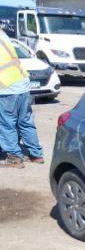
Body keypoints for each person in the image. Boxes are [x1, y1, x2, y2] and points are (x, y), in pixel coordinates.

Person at [0, 28, 43, 168]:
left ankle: (14, 157)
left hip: (7, 86)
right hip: (22, 83)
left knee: (7, 123)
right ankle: (36, 155)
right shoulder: (4, 37)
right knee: (25, 121)